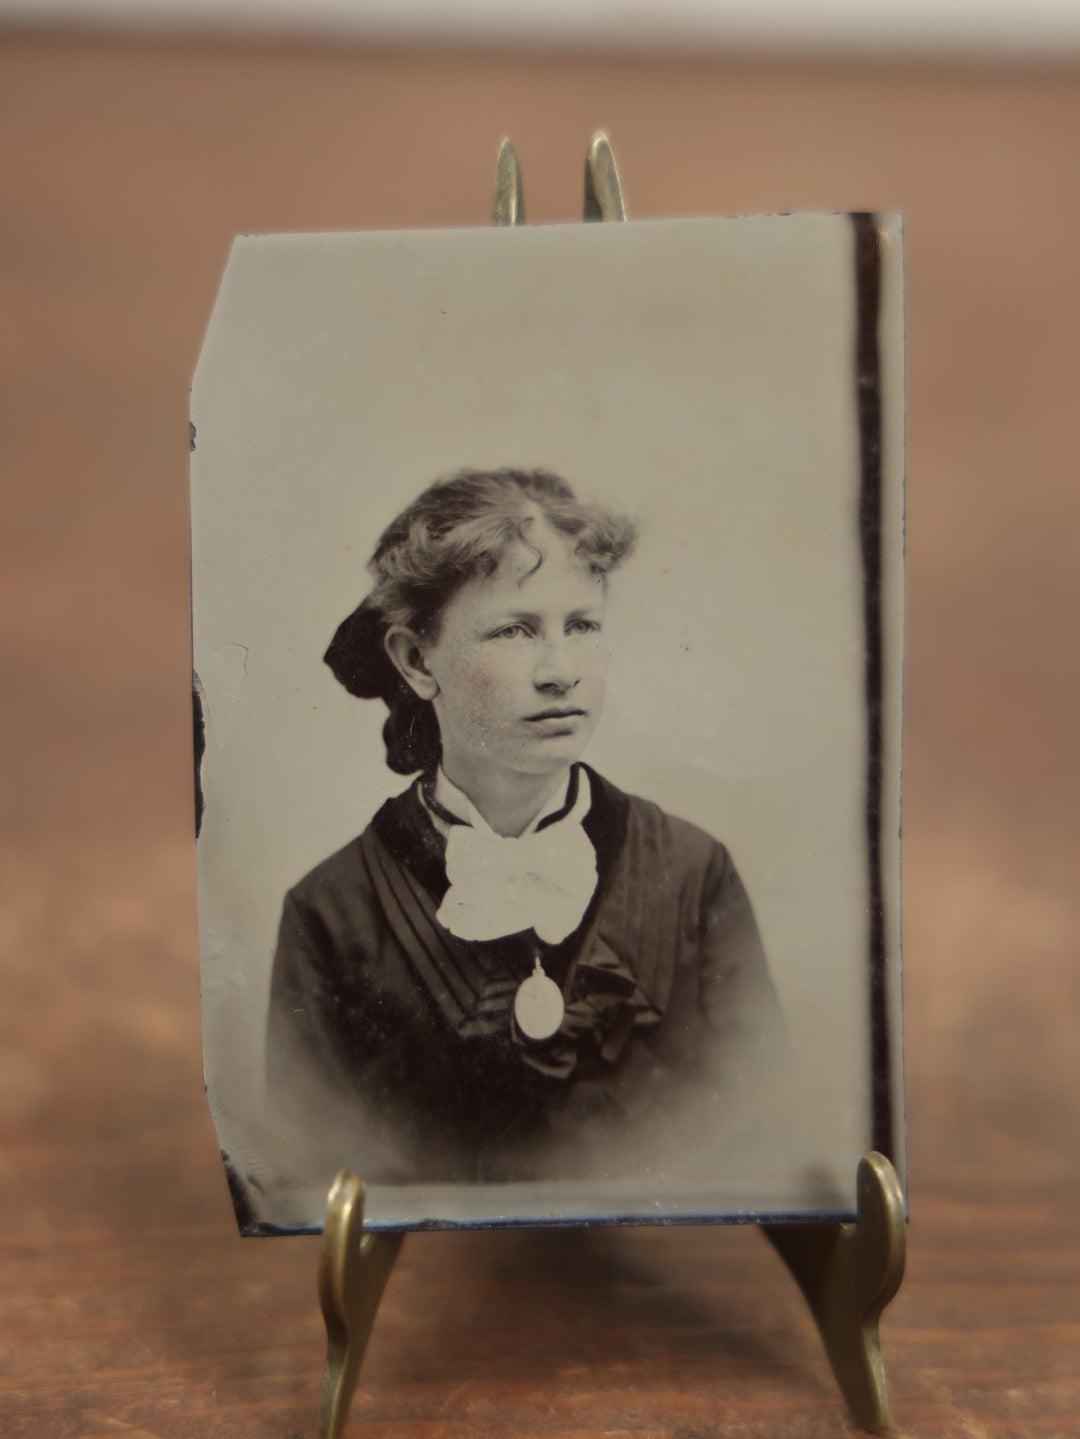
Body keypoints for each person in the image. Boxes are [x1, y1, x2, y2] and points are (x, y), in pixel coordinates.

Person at [267, 468, 785, 1189]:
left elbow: (763, 1130)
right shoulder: (332, 912)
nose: (560, 671)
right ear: (417, 660)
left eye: (582, 626)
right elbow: (314, 1169)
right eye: (514, 630)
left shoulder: (695, 873)